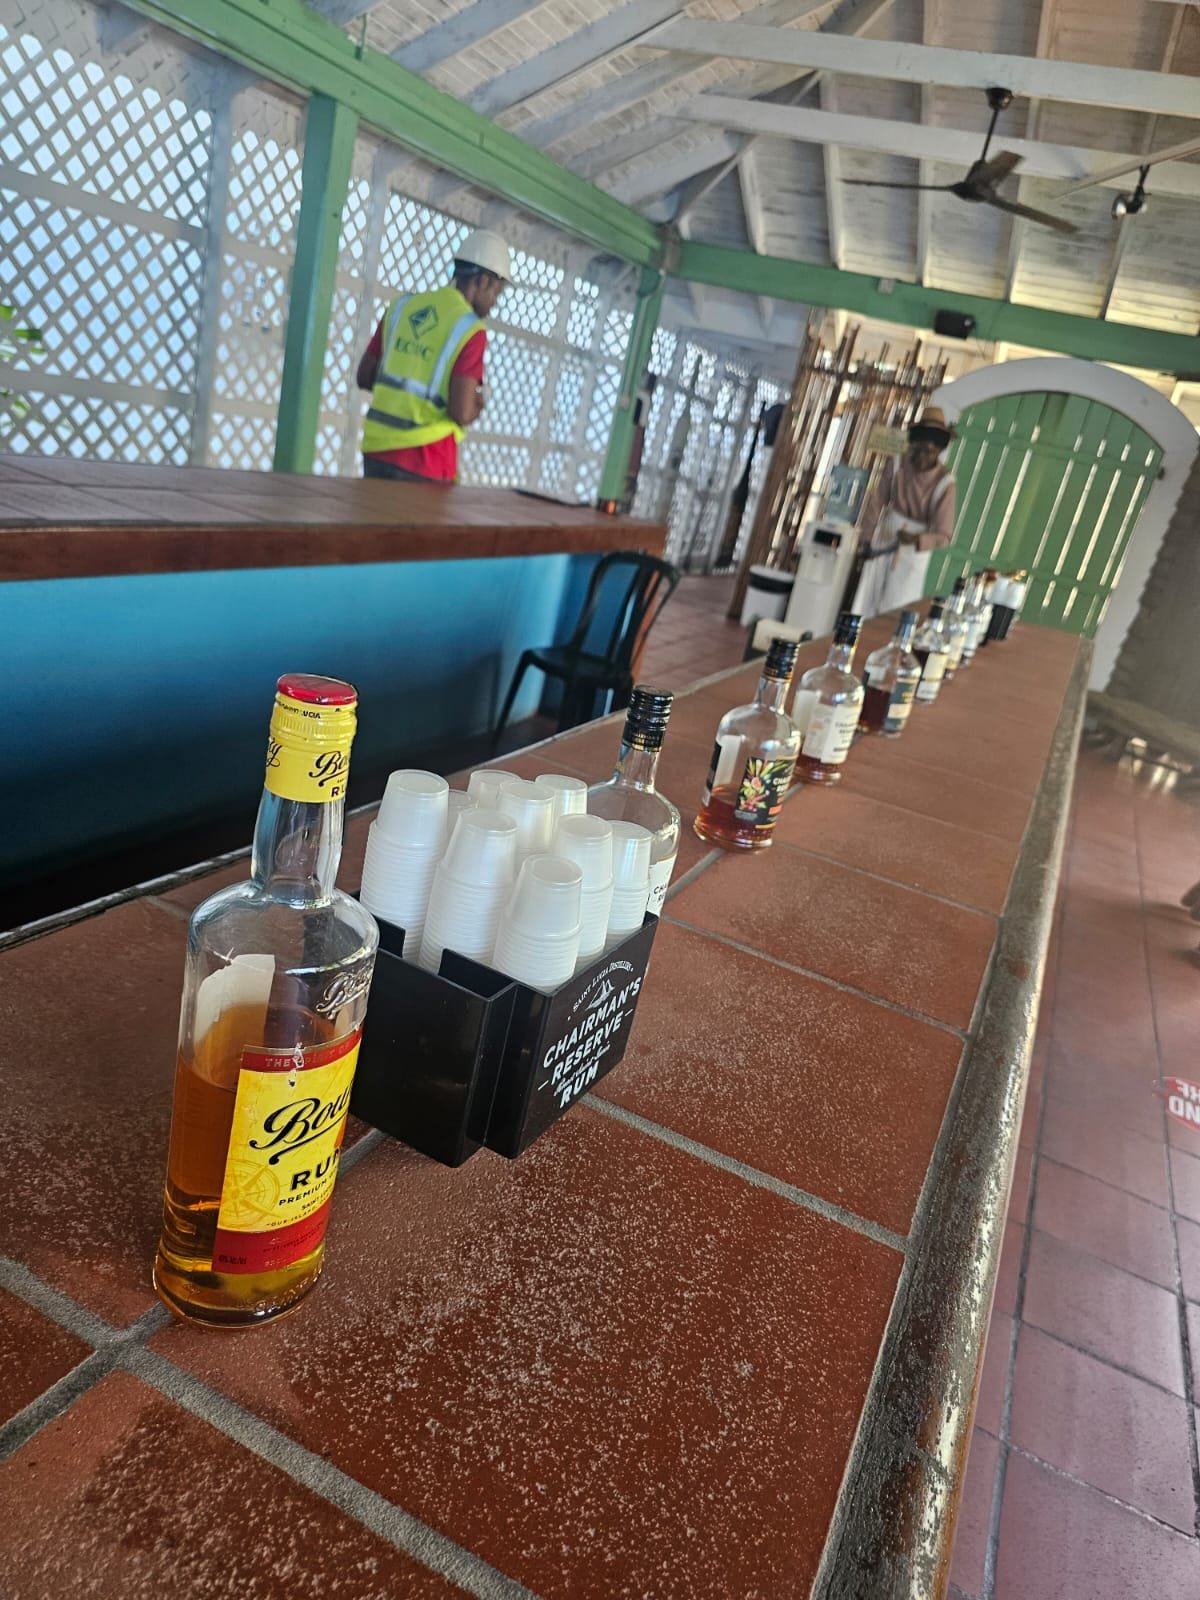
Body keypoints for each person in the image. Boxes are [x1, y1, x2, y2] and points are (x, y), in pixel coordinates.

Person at [355, 229, 512, 484]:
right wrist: (479, 404)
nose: (494, 302)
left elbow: (364, 377)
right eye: (497, 291)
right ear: (484, 280)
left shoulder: (402, 307)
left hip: (376, 449)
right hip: (426, 458)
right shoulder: (470, 330)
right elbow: (461, 412)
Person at [851, 406, 958, 618]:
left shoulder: (945, 483)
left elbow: (944, 536)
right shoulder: (897, 463)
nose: (923, 452)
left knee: (897, 608)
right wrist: (866, 538)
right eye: (920, 445)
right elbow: (877, 500)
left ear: (939, 449)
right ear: (913, 442)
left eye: (930, 448)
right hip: (886, 534)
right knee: (867, 600)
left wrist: (917, 539)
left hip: (914, 548)